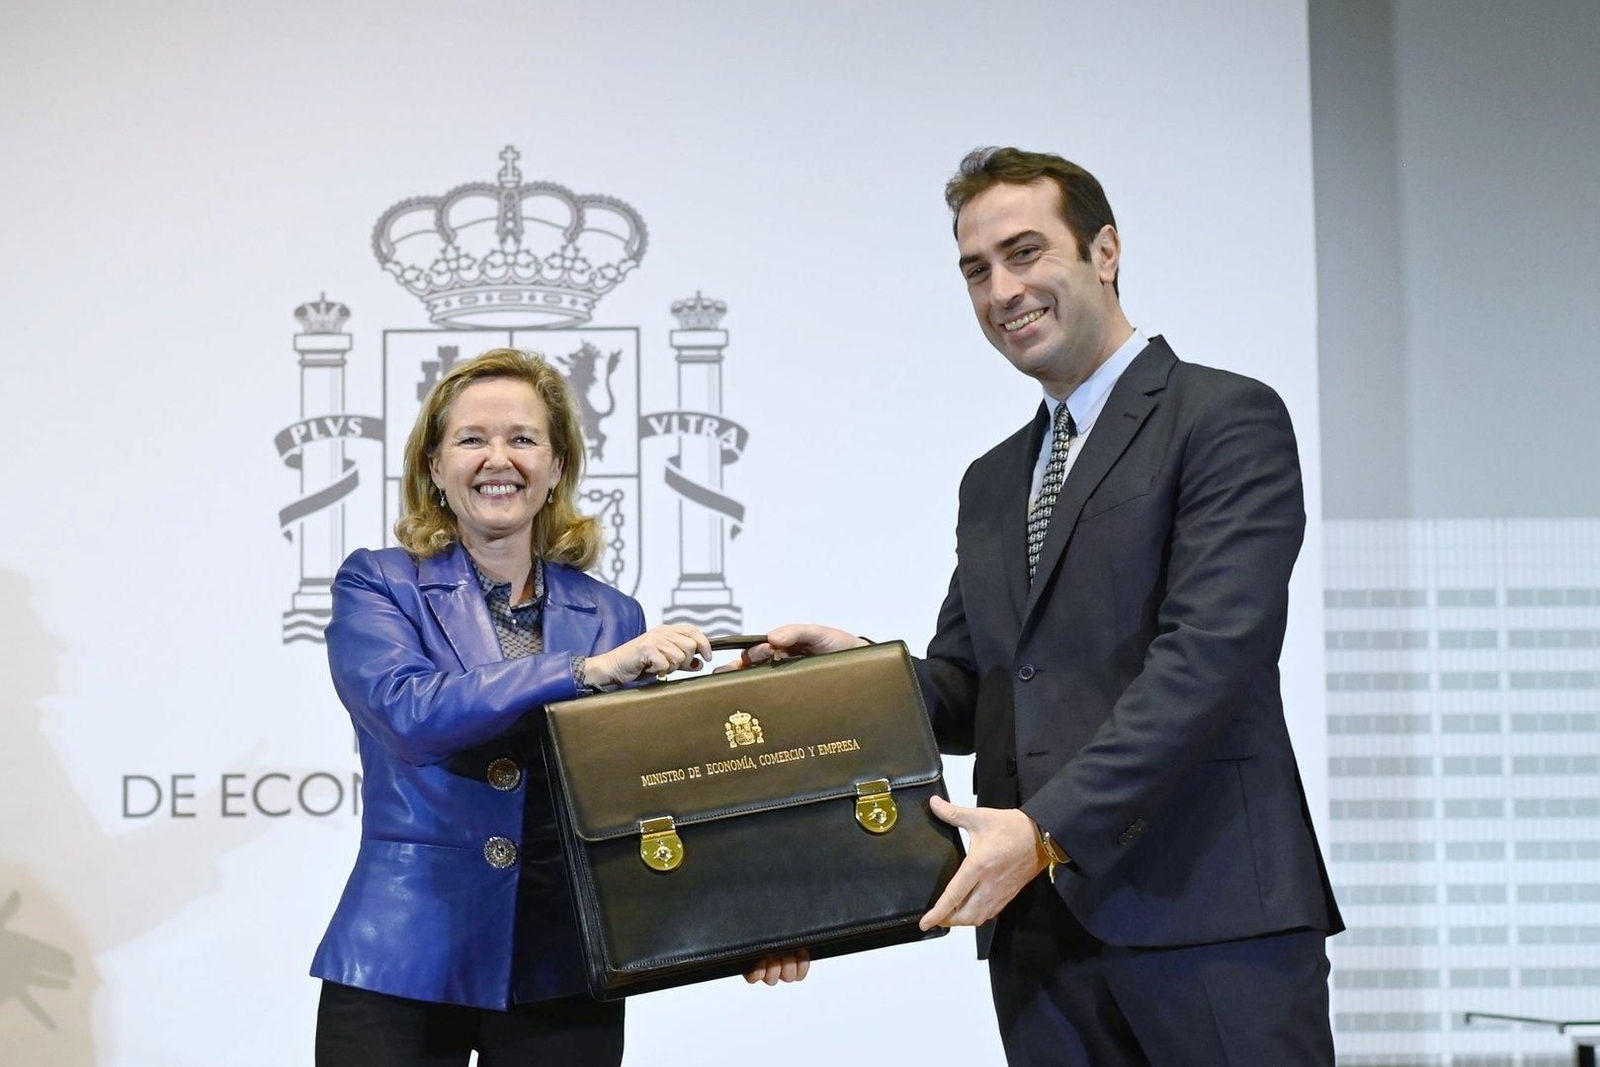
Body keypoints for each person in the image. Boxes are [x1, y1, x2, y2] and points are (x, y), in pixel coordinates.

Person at [741, 148, 1343, 1065]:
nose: (1001, 290)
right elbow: (973, 691)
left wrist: (1046, 829)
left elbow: (1210, 658)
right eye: (976, 270)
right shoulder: (991, 481)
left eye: (1025, 253)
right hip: (1038, 943)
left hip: (1211, 920)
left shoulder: (1224, 418)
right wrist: (851, 675)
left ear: (1105, 251)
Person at [311, 347, 729, 1066]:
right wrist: (581, 673)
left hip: (563, 961)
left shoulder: (613, 613)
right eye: (471, 438)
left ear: (557, 465)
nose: (497, 458)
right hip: (402, 953)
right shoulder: (378, 582)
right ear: (434, 466)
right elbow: (410, 713)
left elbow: (642, 792)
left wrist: (738, 701)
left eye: (524, 438)